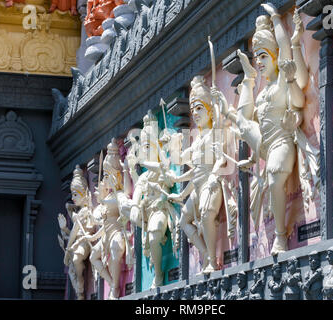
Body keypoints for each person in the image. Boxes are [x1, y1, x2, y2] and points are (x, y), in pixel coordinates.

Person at [214, 3, 319, 255]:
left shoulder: (284, 77)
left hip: (283, 141)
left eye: (263, 56)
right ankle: (245, 78)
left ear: (273, 56)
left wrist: (275, 19)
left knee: (273, 174)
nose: (260, 61)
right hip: (265, 143)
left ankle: (280, 237)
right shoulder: (261, 94)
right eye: (257, 57)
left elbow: (284, 50)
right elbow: (246, 118)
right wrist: (249, 78)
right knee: (242, 122)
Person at [167, 75, 236, 273]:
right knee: (184, 221)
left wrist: (215, 175)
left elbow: (221, 158)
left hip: (209, 184)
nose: (195, 114)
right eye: (193, 109)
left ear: (209, 110)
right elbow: (181, 161)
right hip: (197, 188)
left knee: (206, 215)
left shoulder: (214, 133)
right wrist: (172, 143)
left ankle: (213, 261)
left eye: (199, 108)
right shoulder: (197, 140)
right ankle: (206, 253)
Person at [121, 111, 179, 288]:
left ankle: (159, 275)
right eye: (143, 148)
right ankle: (158, 272)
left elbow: (168, 177)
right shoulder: (145, 177)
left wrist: (143, 162)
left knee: (154, 236)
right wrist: (131, 171)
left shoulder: (162, 166)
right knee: (128, 208)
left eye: (148, 148)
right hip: (148, 211)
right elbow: (138, 190)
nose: (144, 153)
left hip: (160, 209)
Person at [73, 139, 131, 299]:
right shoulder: (106, 197)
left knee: (116, 250)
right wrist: (90, 235)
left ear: (116, 176)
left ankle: (115, 287)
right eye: (105, 175)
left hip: (117, 231)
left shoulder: (117, 195)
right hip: (105, 234)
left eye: (109, 175)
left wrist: (125, 169)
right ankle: (112, 282)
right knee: (93, 257)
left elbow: (124, 196)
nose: (106, 179)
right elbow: (99, 222)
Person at [59, 165, 95, 300]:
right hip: (78, 241)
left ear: (84, 193)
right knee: (72, 263)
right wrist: (64, 229)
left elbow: (76, 231)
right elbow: (73, 232)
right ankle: (79, 287)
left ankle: (80, 283)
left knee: (76, 258)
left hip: (84, 241)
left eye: (76, 194)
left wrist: (69, 247)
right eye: (72, 194)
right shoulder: (77, 213)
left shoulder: (84, 211)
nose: (73, 198)